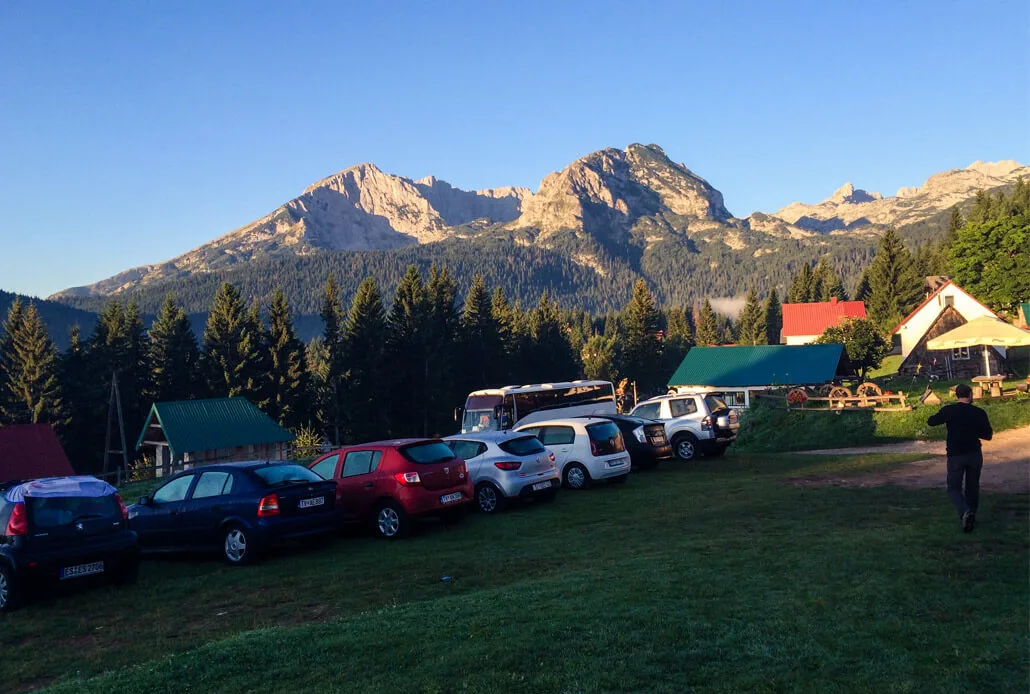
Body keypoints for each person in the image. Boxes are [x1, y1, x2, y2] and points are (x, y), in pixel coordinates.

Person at [927, 384, 993, 532]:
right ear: (970, 394)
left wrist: (941, 413)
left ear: (957, 395)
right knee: (972, 487)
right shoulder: (979, 412)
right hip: (974, 453)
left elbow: (931, 421)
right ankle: (971, 516)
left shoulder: (949, 410)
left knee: (954, 488)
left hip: (956, 455)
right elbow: (988, 435)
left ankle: (964, 512)